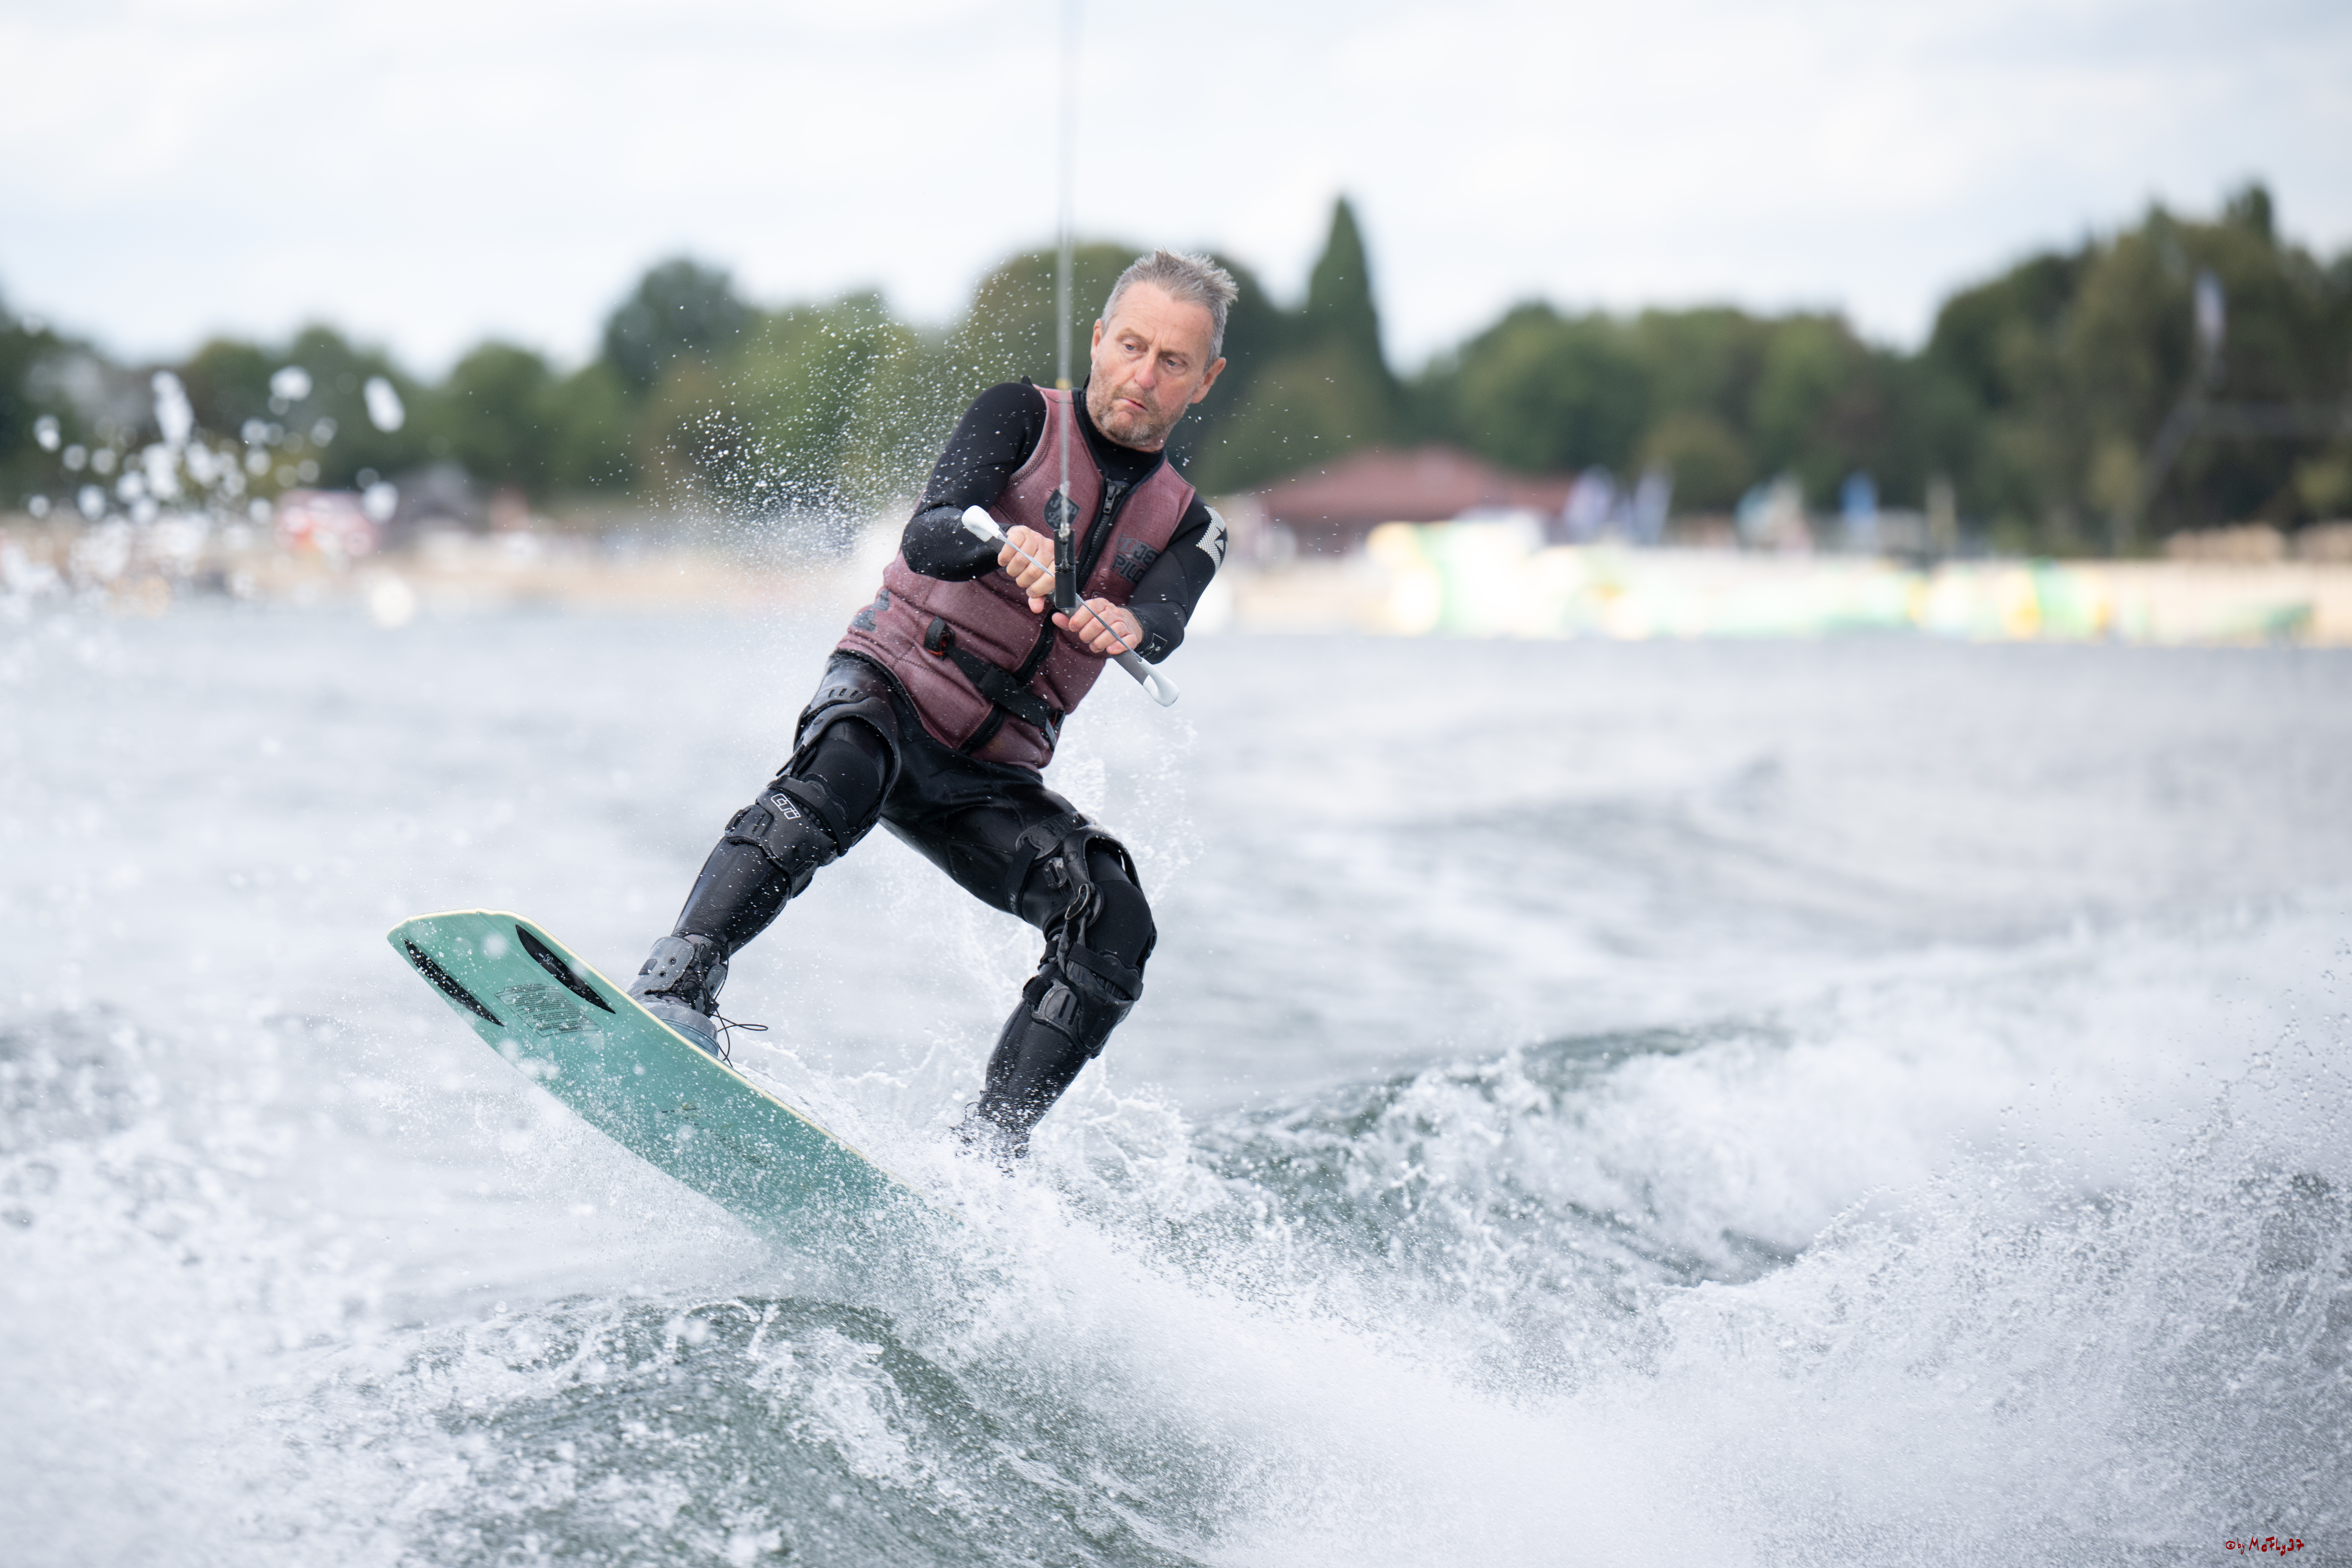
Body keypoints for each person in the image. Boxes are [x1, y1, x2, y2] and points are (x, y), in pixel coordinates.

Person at [627, 249, 1237, 1159]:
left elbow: (1166, 620)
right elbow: (932, 529)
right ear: (1099, 340)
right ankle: (674, 986)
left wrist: (1129, 622)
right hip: (890, 691)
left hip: (988, 780)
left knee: (1114, 918)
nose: (1143, 377)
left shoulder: (1195, 526)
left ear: (1204, 380)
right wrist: (1001, 547)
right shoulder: (1018, 414)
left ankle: (988, 1152)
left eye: (1173, 362)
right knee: (841, 772)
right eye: (1132, 347)